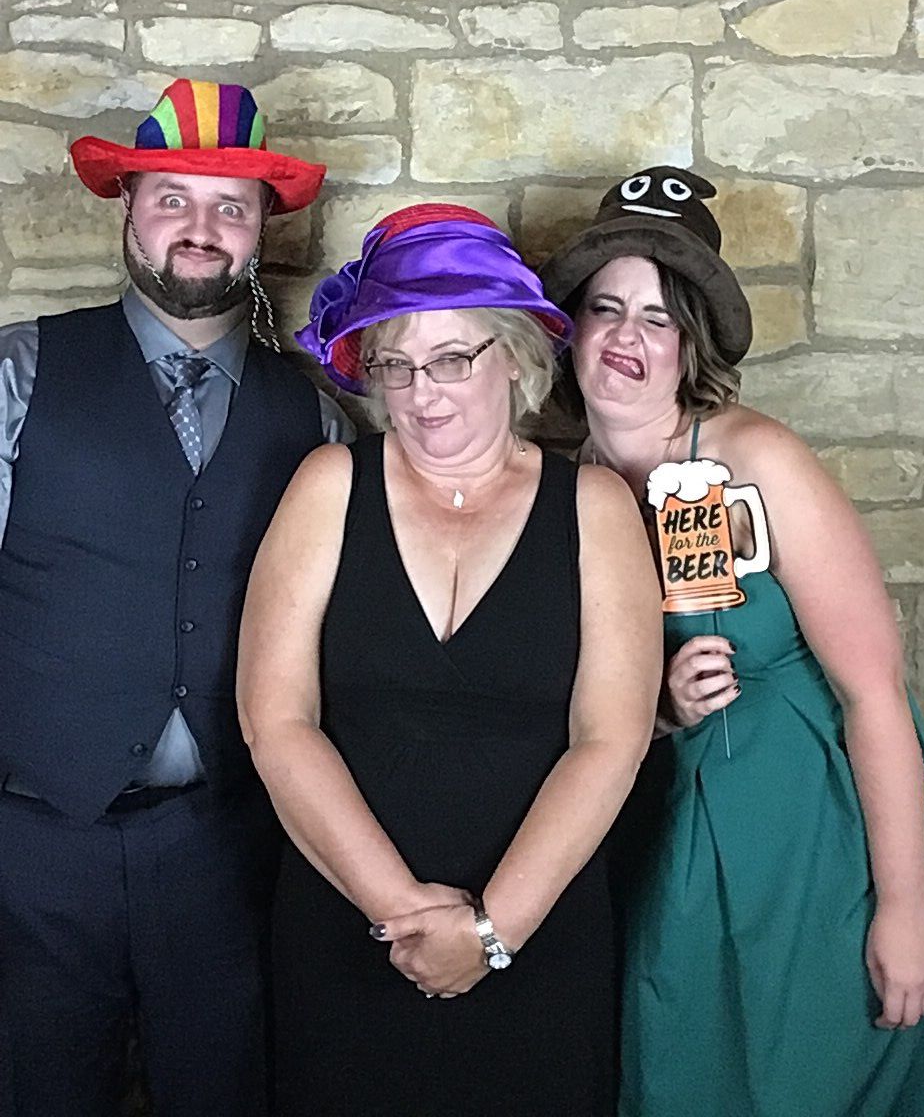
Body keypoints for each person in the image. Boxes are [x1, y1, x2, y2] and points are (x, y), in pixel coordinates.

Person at [540, 166, 924, 1117]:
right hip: (677, 830)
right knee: (691, 1066)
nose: (627, 338)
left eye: (658, 317)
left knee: (816, 1072)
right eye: (607, 309)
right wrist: (660, 709)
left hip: (817, 828)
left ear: (692, 341)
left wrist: (906, 908)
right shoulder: (563, 488)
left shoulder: (756, 457)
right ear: (571, 328)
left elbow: (874, 692)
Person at [236, 202, 663, 1117]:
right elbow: (274, 721)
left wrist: (492, 932)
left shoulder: (594, 507)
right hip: (349, 926)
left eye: (451, 359)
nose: (420, 392)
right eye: (395, 365)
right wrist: (402, 912)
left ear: (515, 355)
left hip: (539, 931)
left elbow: (611, 740)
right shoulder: (328, 486)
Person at [0, 78, 354, 1117]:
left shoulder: (318, 420)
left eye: (229, 206)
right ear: (129, 209)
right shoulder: (21, 373)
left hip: (228, 847)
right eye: (172, 198)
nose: (199, 227)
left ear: (260, 231)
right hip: (32, 844)